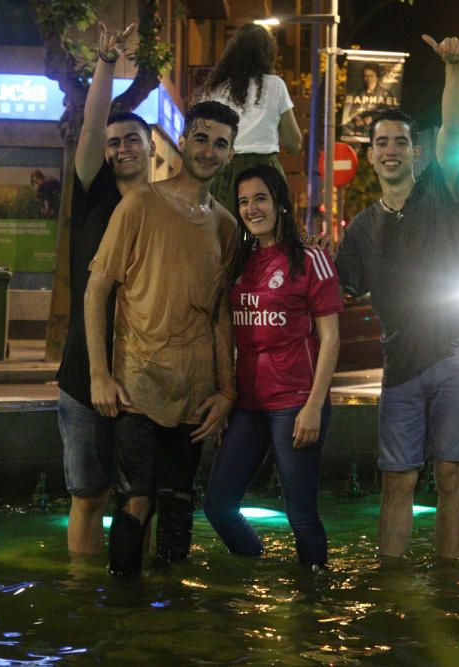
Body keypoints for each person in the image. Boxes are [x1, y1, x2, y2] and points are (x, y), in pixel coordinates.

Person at [335, 36, 459, 563]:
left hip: (458, 356)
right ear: (370, 155)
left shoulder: (440, 193)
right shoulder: (360, 231)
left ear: (417, 152)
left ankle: (448, 578)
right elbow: (334, 293)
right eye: (382, 142)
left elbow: (457, 127)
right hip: (398, 368)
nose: (392, 149)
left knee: (450, 473)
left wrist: (454, 69)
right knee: (396, 483)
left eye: (401, 141)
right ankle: (390, 582)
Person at [84, 100, 240, 576]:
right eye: (201, 138)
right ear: (183, 140)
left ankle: (174, 621)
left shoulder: (226, 225)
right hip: (136, 386)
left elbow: (219, 316)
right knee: (134, 502)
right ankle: (124, 618)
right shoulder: (139, 204)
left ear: (231, 153)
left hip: (194, 394)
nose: (209, 151)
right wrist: (100, 376)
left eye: (220, 143)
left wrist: (227, 391)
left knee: (178, 503)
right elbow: (97, 290)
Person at [203, 164, 343, 569]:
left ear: (280, 202)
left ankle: (312, 601)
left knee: (300, 515)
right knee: (218, 506)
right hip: (249, 404)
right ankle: (257, 567)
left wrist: (314, 405)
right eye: (244, 202)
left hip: (295, 404)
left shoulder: (311, 258)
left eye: (260, 198)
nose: (251, 209)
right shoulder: (239, 262)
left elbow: (331, 338)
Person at [56, 22, 142, 557]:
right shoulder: (93, 195)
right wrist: (106, 65)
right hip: (84, 377)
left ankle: (137, 597)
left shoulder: (167, 209)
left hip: (144, 376)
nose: (121, 147)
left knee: (138, 499)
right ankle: (83, 595)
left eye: (132, 138)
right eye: (114, 142)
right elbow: (91, 127)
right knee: (89, 497)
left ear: (151, 147)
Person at [203, 23, 302, 217]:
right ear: (267, 54)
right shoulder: (275, 86)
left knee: (226, 240)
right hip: (266, 171)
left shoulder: (217, 89)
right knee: (266, 240)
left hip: (226, 172)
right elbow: (294, 143)